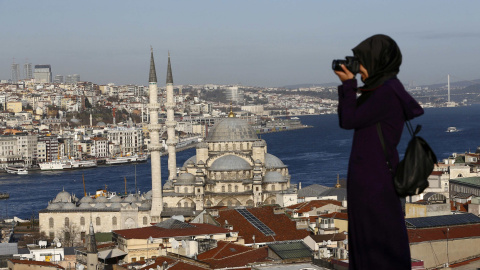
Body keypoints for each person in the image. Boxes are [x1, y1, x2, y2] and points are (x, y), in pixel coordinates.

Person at [334, 34, 424, 269]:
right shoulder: (384, 89)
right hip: (375, 175)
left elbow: (349, 119)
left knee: (375, 238)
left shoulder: (385, 93)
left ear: (376, 61)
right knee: (376, 235)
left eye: (361, 61)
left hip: (373, 179)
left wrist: (348, 84)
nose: (359, 68)